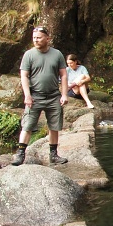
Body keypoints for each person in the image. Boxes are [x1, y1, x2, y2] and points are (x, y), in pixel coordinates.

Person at [11, 25, 69, 166]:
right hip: (35, 96)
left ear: (47, 38)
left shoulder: (57, 54)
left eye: (39, 37)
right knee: (27, 125)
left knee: (54, 126)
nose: (36, 40)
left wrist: (64, 94)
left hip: (54, 96)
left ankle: (53, 155)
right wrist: (27, 96)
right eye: (34, 38)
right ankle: (20, 154)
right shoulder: (29, 55)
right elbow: (24, 76)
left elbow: (64, 74)